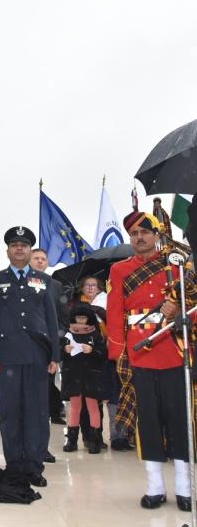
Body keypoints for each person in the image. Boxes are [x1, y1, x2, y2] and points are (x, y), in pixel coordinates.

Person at [107, 211, 196, 512]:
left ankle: (185, 489)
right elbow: (115, 311)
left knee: (179, 418)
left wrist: (179, 305)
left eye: (145, 232)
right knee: (148, 420)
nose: (140, 238)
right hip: (139, 351)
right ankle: (155, 487)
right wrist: (118, 352)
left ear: (157, 235)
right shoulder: (119, 270)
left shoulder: (176, 265)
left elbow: (193, 304)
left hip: (173, 348)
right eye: (134, 234)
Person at [0, 226, 59, 488]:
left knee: (37, 413)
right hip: (7, 357)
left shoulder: (44, 281)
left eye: (24, 245)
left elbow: (51, 320)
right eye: (14, 244)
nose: (19, 248)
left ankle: (34, 467)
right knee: (11, 413)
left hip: (38, 356)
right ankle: (14, 466)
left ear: (30, 250)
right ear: (7, 250)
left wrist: (55, 356)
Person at [30, 248, 68, 428]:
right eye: (36, 258)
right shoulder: (20, 282)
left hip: (49, 343)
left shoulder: (55, 286)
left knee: (48, 380)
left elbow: (63, 316)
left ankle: (53, 413)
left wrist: (58, 337)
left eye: (43, 259)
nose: (39, 261)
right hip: (27, 343)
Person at [61, 304, 107, 454]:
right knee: (74, 408)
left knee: (93, 407)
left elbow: (103, 354)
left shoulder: (95, 334)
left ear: (89, 318)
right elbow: (58, 353)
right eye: (78, 317)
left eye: (84, 317)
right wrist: (64, 350)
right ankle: (72, 441)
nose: (81, 321)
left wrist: (92, 350)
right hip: (73, 376)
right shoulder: (67, 334)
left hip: (91, 376)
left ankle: (95, 440)